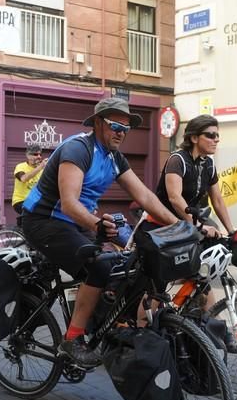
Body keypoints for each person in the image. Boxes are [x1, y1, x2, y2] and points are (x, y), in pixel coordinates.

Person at [22, 97, 179, 367]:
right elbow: (69, 203)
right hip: (44, 220)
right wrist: (96, 225)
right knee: (99, 265)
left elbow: (145, 196)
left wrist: (178, 225)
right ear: (97, 123)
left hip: (76, 222)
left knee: (127, 263)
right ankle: (73, 337)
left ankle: (108, 321)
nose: (121, 133)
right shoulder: (78, 149)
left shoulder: (115, 158)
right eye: (115, 125)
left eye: (126, 128)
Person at [143, 114, 235, 310]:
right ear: (194, 138)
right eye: (211, 135)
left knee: (202, 280)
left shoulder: (208, 164)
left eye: (218, 136)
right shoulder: (178, 160)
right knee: (155, 288)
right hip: (160, 229)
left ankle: (205, 331)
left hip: (185, 230)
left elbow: (217, 200)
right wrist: (198, 226)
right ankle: (143, 334)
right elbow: (175, 198)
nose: (216, 140)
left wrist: (232, 231)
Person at [11, 145, 46, 215]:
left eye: (40, 154)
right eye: (35, 154)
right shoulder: (20, 166)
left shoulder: (43, 170)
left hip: (35, 201)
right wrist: (40, 167)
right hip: (21, 201)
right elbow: (23, 178)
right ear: (28, 155)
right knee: (37, 212)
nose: (39, 157)